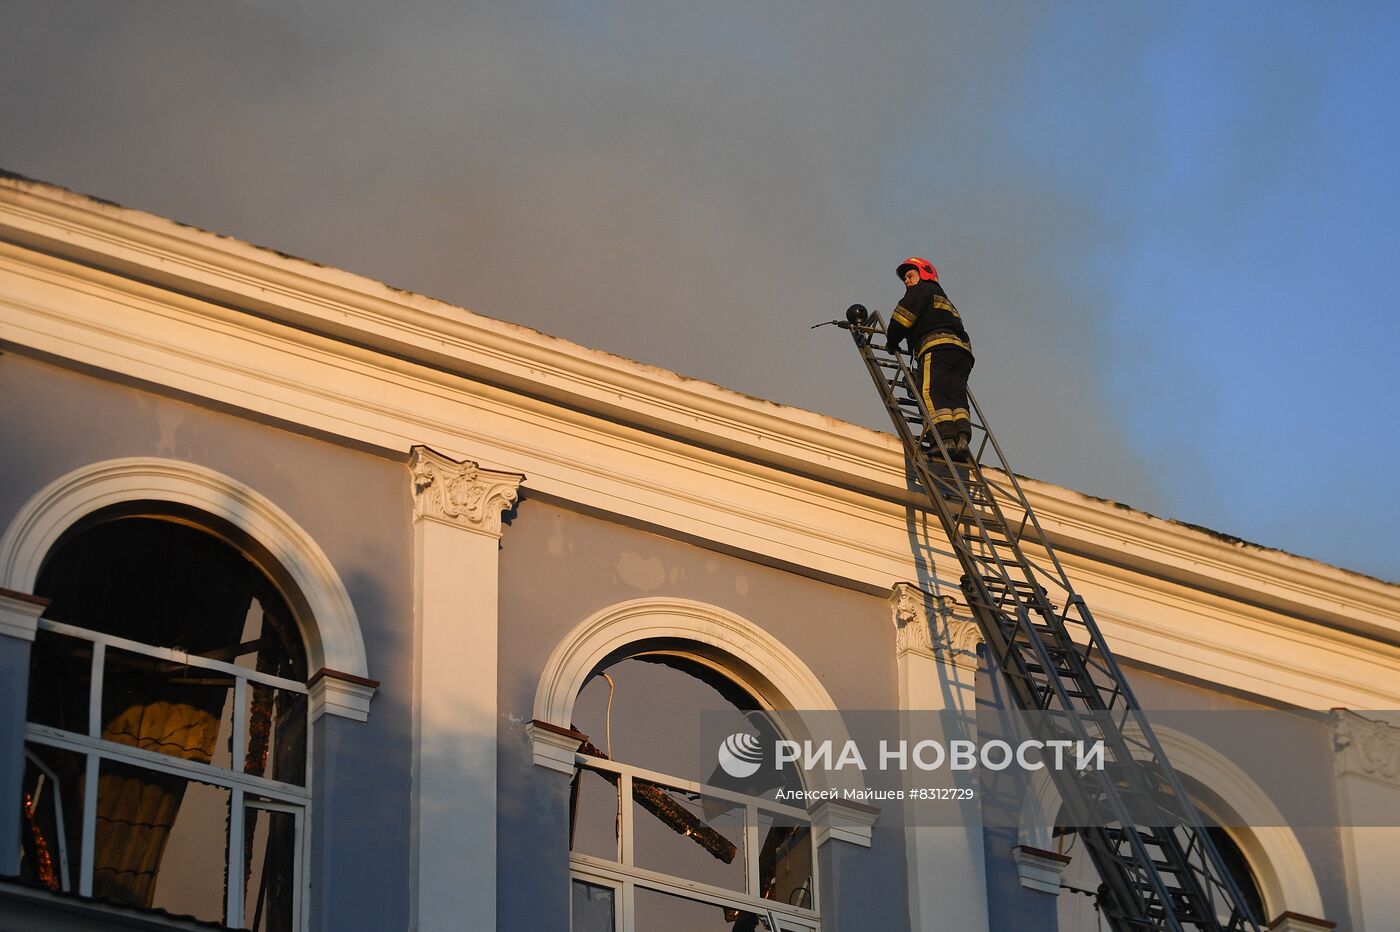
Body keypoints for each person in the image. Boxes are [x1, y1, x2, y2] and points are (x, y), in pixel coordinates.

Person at [883, 256, 974, 460]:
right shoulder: (946, 301)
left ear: (924, 274)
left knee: (931, 392)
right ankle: (961, 438)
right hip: (961, 354)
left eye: (910, 275)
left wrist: (892, 342)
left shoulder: (921, 290)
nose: (906, 281)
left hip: (935, 348)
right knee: (956, 398)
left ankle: (944, 440)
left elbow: (902, 319)